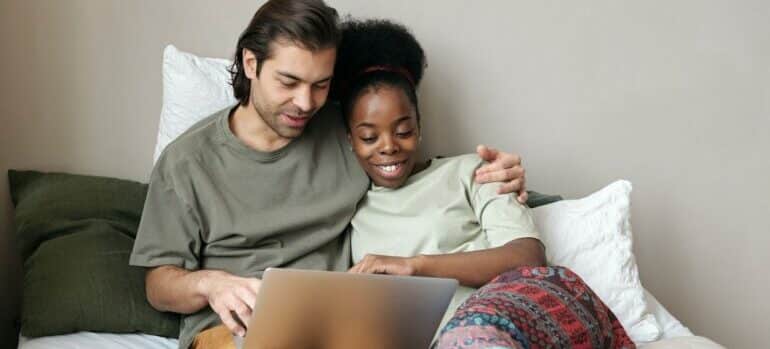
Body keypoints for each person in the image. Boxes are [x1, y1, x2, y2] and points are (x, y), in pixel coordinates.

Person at [128, 1, 528, 348]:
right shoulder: (187, 163)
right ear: (251, 63)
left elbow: (403, 163)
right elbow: (158, 285)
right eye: (289, 82)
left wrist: (498, 177)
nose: (305, 103)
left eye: (320, 85)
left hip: (339, 326)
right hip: (234, 330)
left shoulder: (343, 132)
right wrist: (211, 283)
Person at [337, 19, 636, 348]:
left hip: (510, 312)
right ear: (350, 140)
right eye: (369, 136)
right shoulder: (353, 212)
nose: (389, 146)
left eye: (404, 131)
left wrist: (414, 266)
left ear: (420, 127)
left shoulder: (473, 171)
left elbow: (527, 257)